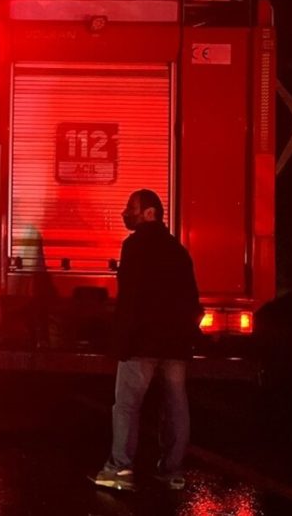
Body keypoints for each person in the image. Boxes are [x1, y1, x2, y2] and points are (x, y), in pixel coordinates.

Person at [92, 189, 202, 492]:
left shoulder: (135, 247)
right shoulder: (178, 251)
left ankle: (120, 469)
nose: (127, 213)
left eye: (132, 208)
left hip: (142, 344)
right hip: (176, 345)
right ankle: (172, 471)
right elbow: (193, 301)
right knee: (176, 406)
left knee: (127, 406)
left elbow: (130, 301)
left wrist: (119, 343)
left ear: (149, 213)